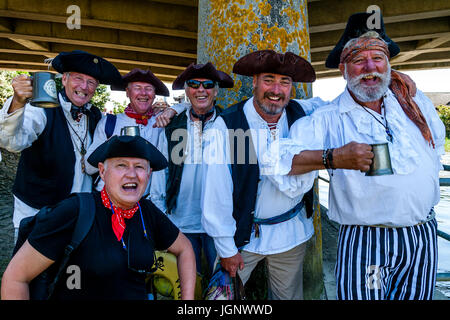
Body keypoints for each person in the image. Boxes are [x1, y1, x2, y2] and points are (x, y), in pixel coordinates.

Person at [263, 12, 446, 300]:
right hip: (367, 239)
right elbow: (276, 161)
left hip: (421, 236)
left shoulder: (413, 102)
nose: (370, 67)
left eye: (378, 58)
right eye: (359, 60)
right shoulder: (328, 117)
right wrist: (333, 158)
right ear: (343, 69)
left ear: (388, 64)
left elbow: (436, 144)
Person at [1, 134, 196, 300]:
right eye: (121, 165)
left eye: (139, 167)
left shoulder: (147, 212)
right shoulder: (73, 211)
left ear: (149, 173)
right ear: (102, 171)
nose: (131, 174)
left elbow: (185, 249)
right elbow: (16, 277)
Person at [201, 50, 326, 300]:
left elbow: (338, 105)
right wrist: (226, 249)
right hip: (241, 241)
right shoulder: (227, 126)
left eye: (285, 82)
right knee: (224, 301)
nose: (276, 90)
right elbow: (216, 193)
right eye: (269, 80)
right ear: (255, 82)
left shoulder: (301, 113)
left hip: (291, 236)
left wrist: (393, 83)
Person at [0, 50, 122, 241]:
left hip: (77, 216)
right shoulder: (40, 108)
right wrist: (17, 102)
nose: (84, 86)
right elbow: (12, 142)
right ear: (64, 79)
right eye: (78, 78)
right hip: (37, 213)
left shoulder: (97, 117)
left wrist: (172, 110)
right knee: (30, 271)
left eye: (91, 82)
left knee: (71, 269)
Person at [150, 62, 234, 279]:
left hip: (219, 226)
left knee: (221, 287)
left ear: (216, 91)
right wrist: (162, 224)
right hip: (180, 223)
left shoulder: (230, 125)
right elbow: (160, 176)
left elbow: (241, 176)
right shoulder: (170, 127)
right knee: (188, 285)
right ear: (187, 91)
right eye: (194, 84)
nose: (201, 89)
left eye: (207, 85)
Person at [85, 68, 186, 194]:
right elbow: (89, 168)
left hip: (145, 201)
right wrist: (110, 146)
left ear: (154, 94)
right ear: (127, 92)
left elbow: (195, 104)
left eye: (148, 88)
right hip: (108, 200)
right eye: (137, 87)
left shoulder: (162, 122)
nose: (143, 93)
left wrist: (173, 109)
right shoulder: (109, 123)